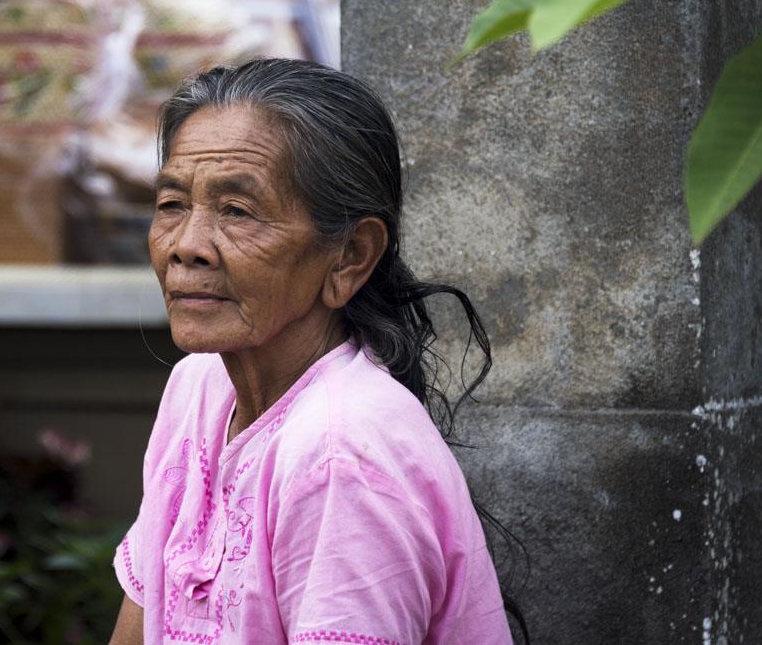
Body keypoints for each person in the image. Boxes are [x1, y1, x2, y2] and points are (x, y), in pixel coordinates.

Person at [109, 59, 520, 645]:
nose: (187, 245)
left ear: (350, 256)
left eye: (237, 211)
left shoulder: (339, 453)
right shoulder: (199, 386)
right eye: (173, 204)